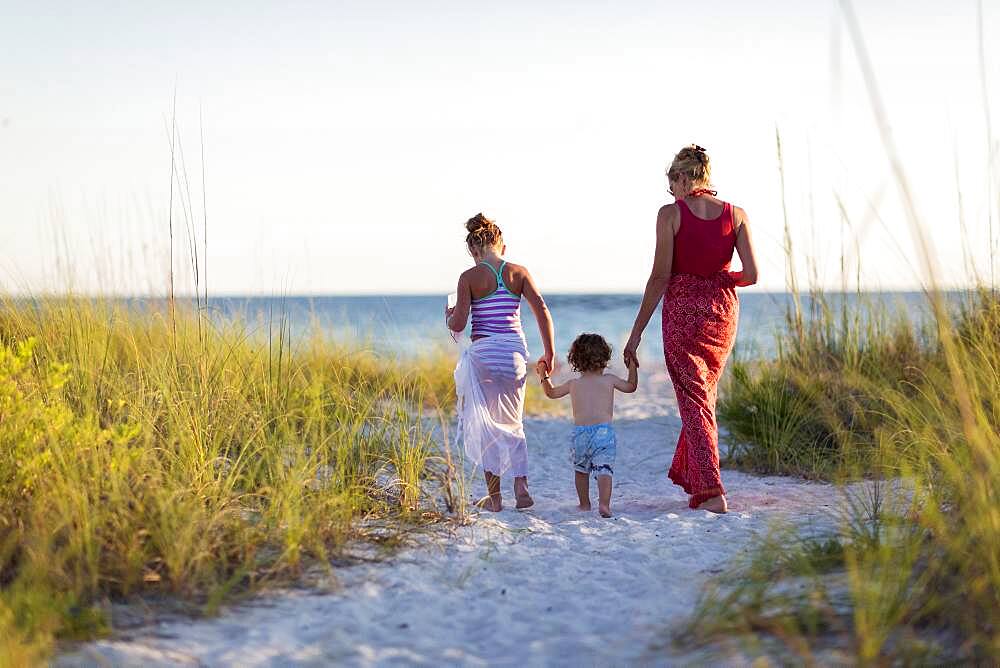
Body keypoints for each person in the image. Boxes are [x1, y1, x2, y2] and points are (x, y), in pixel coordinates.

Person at [623, 145, 759, 514]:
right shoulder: (738, 215)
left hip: (683, 309)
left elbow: (660, 277)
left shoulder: (670, 215)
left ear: (682, 178)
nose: (673, 194)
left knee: (695, 401)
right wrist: (719, 278)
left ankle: (712, 490)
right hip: (721, 310)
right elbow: (751, 275)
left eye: (673, 186)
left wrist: (635, 334)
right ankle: (699, 480)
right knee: (704, 397)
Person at [447, 213, 555, 512]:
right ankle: (521, 486)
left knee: (486, 425)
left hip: (484, 354)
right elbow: (541, 310)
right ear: (502, 246)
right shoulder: (518, 272)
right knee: (513, 421)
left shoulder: (469, 277)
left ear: (474, 251)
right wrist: (549, 352)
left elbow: (458, 324)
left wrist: (449, 315)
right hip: (513, 353)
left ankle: (495, 499)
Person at [535, 333, 638, 517]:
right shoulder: (609, 380)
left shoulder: (573, 384)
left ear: (575, 360)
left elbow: (550, 393)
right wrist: (632, 366)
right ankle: (604, 504)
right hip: (603, 433)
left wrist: (543, 373)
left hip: (580, 434)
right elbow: (631, 386)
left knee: (581, 471)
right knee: (604, 469)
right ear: (605, 357)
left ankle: (584, 504)